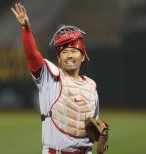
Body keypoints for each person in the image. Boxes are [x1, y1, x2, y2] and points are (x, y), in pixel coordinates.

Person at [11, 3, 99, 154]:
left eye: (73, 51)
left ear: (83, 56)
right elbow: (32, 56)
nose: (69, 56)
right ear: (58, 58)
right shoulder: (50, 79)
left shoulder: (91, 87)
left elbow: (93, 125)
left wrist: (97, 132)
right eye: (64, 52)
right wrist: (26, 29)